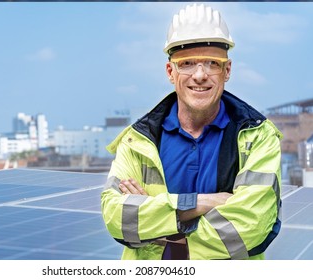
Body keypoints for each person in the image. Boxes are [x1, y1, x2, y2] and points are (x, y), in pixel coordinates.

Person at [101, 3, 282, 260]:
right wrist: (203, 203)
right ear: (170, 72)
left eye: (212, 63)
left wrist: (162, 232)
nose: (200, 75)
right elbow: (117, 218)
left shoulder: (258, 137)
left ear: (227, 70)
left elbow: (250, 227)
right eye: (186, 63)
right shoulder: (137, 140)